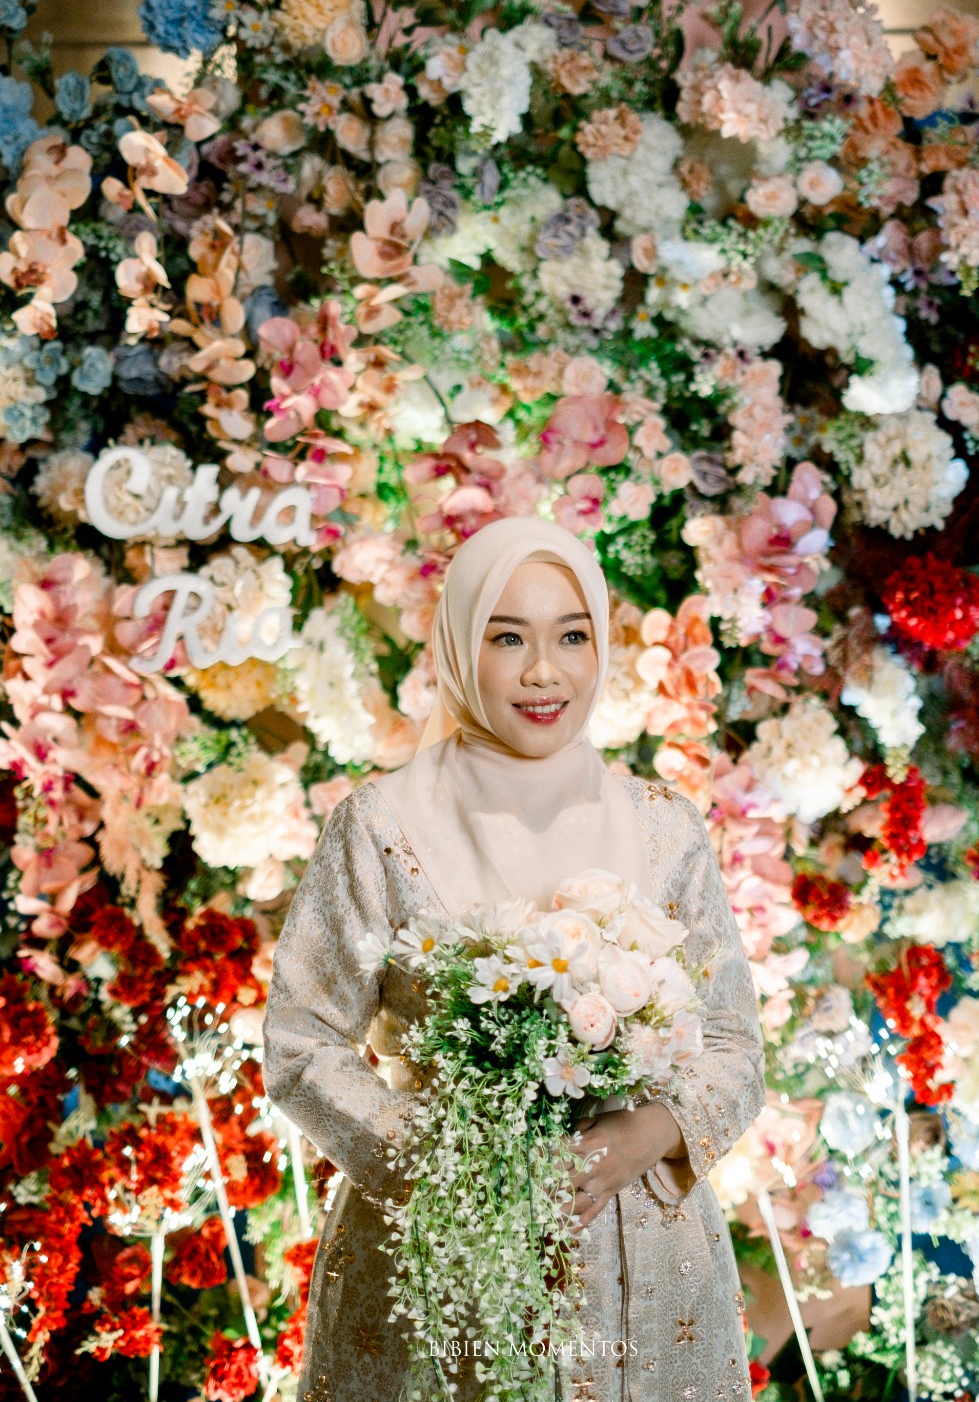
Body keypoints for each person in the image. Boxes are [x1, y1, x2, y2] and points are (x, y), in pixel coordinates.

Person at [263, 516, 766, 1402]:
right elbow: (303, 1045)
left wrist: (645, 1135)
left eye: (572, 636)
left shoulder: (663, 827)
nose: (544, 671)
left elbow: (731, 1042)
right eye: (507, 638)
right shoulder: (380, 827)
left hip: (643, 1253)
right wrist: (459, 1167)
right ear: (460, 649)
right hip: (442, 1248)